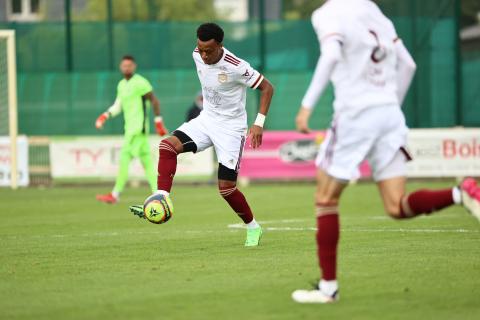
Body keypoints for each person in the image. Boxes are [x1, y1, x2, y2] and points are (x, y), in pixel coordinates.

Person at [291, 0, 480, 303]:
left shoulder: (327, 13)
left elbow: (330, 55)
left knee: (325, 199)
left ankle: (328, 289)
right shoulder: (375, 11)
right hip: (389, 114)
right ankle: (461, 193)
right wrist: (388, 105)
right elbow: (408, 64)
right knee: (396, 206)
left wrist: (306, 107)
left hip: (355, 114)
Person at [131, 23, 274, 247]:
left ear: (220, 46)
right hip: (206, 119)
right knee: (167, 147)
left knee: (226, 189)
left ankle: (253, 228)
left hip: (231, 128)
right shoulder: (197, 54)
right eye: (201, 48)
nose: (204, 54)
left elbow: (267, 87)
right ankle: (161, 198)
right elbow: (201, 56)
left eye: (209, 50)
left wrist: (258, 123)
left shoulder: (236, 66)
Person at [95, 55, 168, 204]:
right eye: (124, 65)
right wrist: (104, 116)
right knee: (147, 163)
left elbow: (154, 100)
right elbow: (118, 105)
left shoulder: (140, 82)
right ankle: (159, 194)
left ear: (134, 66)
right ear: (121, 67)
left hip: (137, 130)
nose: (126, 68)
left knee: (124, 159)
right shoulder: (121, 84)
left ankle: (115, 194)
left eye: (129, 65)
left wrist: (158, 121)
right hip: (131, 130)